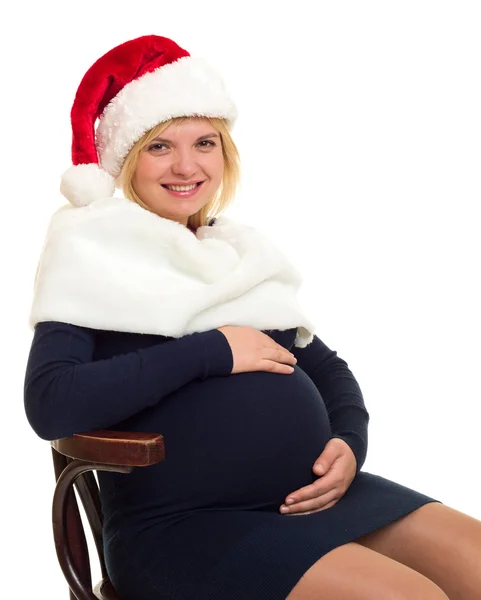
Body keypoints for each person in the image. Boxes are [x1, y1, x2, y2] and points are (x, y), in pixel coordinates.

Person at [23, 35, 481, 600]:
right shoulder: (91, 251)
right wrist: (212, 350)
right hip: (187, 527)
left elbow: (326, 366)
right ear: (125, 159)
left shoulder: (235, 256)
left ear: (225, 154)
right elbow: (51, 402)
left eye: (205, 143)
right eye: (160, 146)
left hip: (311, 498)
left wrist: (348, 440)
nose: (186, 166)